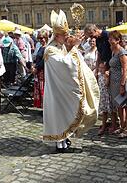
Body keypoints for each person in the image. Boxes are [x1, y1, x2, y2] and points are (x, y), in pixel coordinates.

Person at [43, 10, 99, 152]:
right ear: (57, 36)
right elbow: (64, 64)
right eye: (65, 35)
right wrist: (73, 46)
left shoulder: (60, 46)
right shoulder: (50, 50)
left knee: (65, 114)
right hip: (57, 91)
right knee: (59, 115)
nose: (67, 36)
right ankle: (59, 144)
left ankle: (65, 139)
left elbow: (70, 59)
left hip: (63, 89)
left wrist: (72, 47)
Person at [108, 31, 127, 138]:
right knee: (119, 105)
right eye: (109, 38)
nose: (109, 40)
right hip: (113, 82)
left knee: (126, 105)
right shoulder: (113, 51)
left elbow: (125, 70)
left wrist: (122, 85)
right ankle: (122, 126)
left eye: (111, 39)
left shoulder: (122, 52)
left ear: (118, 40)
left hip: (120, 82)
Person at [33, 31, 48, 108]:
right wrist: (34, 65)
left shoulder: (47, 47)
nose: (40, 40)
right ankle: (42, 107)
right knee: (40, 89)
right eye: (39, 38)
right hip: (39, 71)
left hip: (43, 71)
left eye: (42, 38)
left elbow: (44, 60)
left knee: (43, 90)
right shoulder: (41, 47)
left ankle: (45, 108)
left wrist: (36, 68)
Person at [97, 63, 112, 136]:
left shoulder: (106, 76)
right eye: (100, 67)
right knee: (104, 112)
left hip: (106, 95)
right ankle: (104, 125)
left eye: (102, 68)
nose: (101, 69)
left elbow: (106, 84)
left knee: (111, 111)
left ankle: (112, 125)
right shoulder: (99, 75)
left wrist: (107, 77)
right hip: (102, 95)